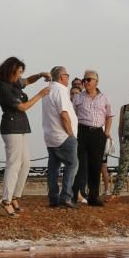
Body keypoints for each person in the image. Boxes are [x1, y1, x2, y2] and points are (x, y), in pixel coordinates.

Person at [0, 57, 50, 218]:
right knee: (14, 164)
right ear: (11, 71)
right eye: (18, 72)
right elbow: (22, 106)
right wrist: (40, 95)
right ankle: (5, 202)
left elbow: (27, 81)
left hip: (20, 127)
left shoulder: (14, 82)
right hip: (11, 128)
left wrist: (40, 75)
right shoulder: (4, 87)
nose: (21, 75)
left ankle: (14, 197)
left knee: (25, 163)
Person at [72, 70, 113, 207]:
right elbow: (73, 115)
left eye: (89, 79)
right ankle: (75, 195)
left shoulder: (105, 98)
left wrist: (106, 132)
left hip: (97, 134)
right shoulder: (78, 97)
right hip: (82, 132)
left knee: (96, 166)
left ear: (96, 82)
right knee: (80, 165)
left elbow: (109, 116)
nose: (86, 82)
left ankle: (93, 197)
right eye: (85, 80)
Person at [43, 66, 79, 208]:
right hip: (63, 136)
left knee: (53, 168)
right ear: (62, 76)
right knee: (72, 164)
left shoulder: (48, 89)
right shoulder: (60, 90)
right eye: (67, 75)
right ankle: (66, 196)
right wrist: (71, 134)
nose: (68, 78)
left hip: (50, 136)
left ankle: (53, 198)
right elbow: (63, 114)